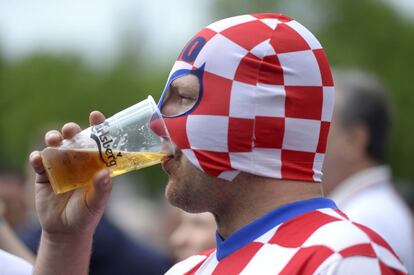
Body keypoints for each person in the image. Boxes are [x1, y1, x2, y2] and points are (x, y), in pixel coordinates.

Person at [28, 13, 407, 274]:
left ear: (256, 120)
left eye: (183, 97)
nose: (159, 124)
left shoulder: (346, 259)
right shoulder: (188, 269)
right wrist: (64, 241)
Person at [323, 69, 414, 273]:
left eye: (323, 127)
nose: (311, 141)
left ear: (355, 139)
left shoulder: (362, 221)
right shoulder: (372, 211)